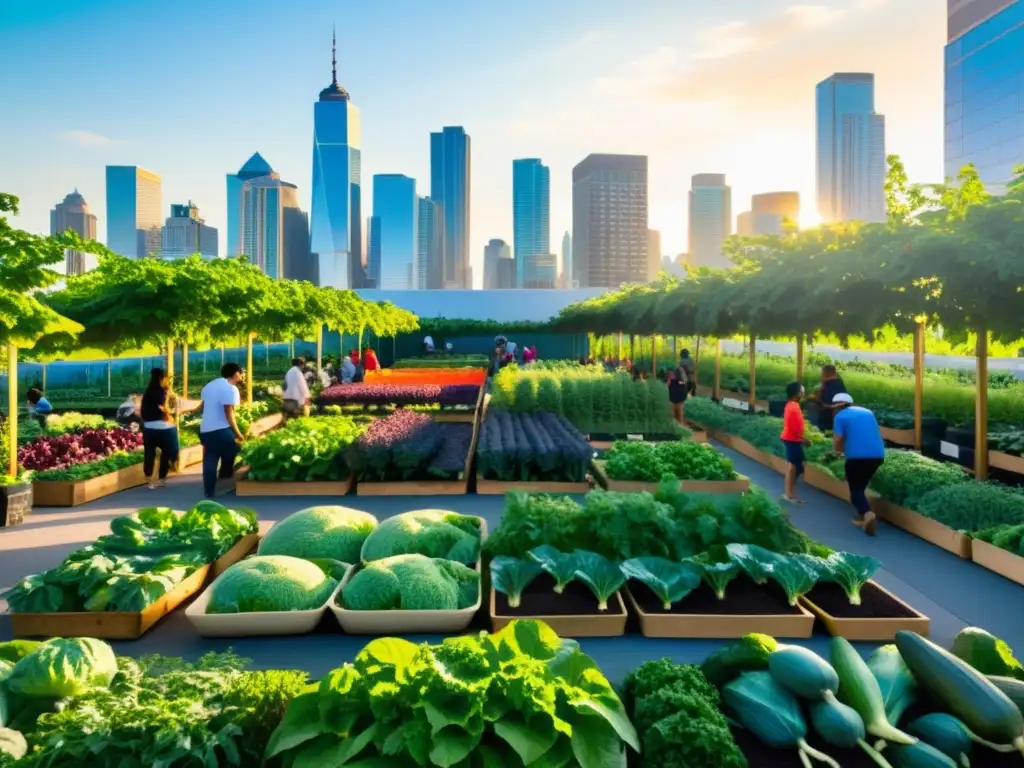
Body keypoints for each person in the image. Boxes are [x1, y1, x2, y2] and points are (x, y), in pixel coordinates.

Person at [832, 393, 885, 536]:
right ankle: (863, 516)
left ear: (836, 407)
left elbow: (837, 440)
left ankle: (868, 515)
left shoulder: (840, 417)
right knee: (861, 486)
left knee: (855, 490)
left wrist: (836, 452)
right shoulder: (868, 412)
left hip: (856, 457)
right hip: (878, 455)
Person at [199, 363, 245, 499]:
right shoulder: (231, 389)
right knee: (238, 449)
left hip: (206, 430)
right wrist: (238, 434)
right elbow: (229, 413)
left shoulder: (209, 386)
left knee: (210, 457)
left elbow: (203, 406)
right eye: (240, 373)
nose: (241, 376)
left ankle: (209, 491)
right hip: (221, 430)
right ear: (236, 373)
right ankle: (226, 479)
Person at [140, 368, 179, 489]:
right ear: (161, 378)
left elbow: (143, 411)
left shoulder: (147, 393)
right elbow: (163, 408)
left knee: (149, 453)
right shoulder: (162, 392)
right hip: (164, 429)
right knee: (168, 452)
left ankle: (149, 478)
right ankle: (162, 478)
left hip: (148, 427)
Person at [780, 381, 807, 504]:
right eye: (802, 391)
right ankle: (789, 494)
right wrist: (803, 438)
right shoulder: (794, 407)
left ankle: (790, 492)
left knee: (797, 467)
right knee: (794, 467)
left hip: (792, 438)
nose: (803, 394)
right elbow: (795, 427)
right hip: (792, 439)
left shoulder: (791, 405)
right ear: (797, 394)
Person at [816, 364, 848, 431]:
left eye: (822, 374)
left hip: (829, 421)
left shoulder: (829, 386)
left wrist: (819, 391)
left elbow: (822, 403)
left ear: (825, 374)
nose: (820, 376)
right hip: (841, 419)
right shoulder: (839, 382)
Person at [666, 355, 690, 425]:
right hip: (676, 395)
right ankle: (678, 428)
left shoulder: (678, 371)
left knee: (676, 414)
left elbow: (668, 383)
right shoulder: (678, 372)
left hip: (676, 395)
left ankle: (677, 428)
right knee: (678, 414)